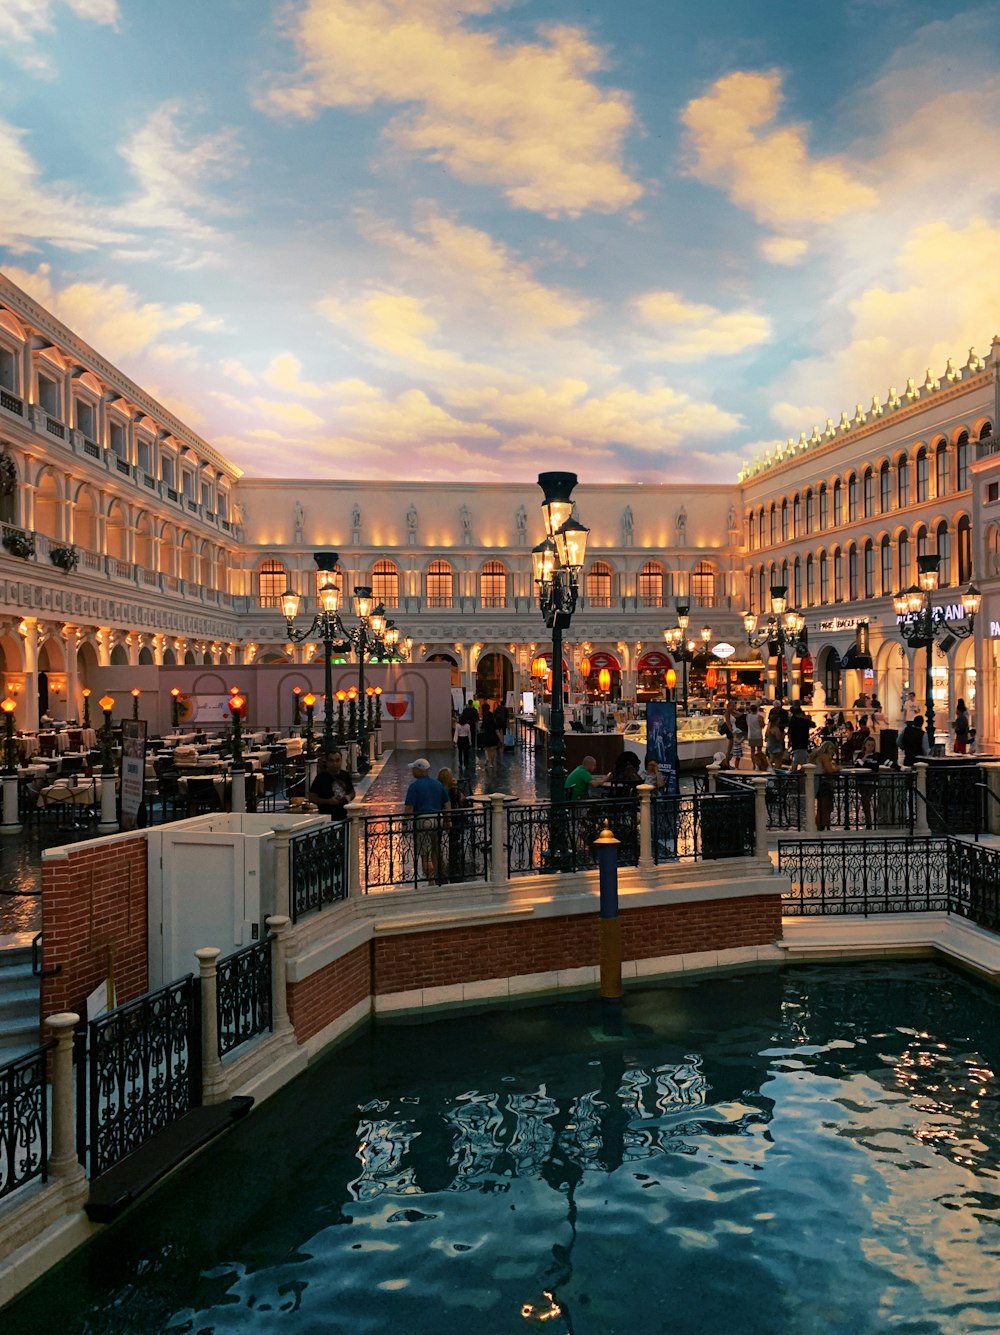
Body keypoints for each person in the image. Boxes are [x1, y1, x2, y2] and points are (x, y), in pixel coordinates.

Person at [404, 758, 448, 883]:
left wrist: (404, 823)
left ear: (420, 770)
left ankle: (430, 880)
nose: (412, 771)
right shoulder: (438, 784)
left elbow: (409, 808)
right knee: (435, 850)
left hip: (423, 821)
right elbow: (447, 802)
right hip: (437, 819)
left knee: (425, 853)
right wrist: (447, 819)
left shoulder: (414, 786)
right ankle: (436, 875)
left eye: (414, 769)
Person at [438, 766, 471, 882]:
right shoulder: (448, 790)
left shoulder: (446, 789)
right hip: (454, 819)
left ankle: (448, 858)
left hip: (451, 818)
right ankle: (453, 857)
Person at [308, 749, 355, 820]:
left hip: (344, 816)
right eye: (331, 761)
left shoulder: (345, 775)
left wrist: (348, 796)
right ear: (327, 762)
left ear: (341, 761)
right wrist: (328, 801)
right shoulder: (321, 777)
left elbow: (352, 792)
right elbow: (312, 797)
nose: (335, 763)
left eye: (337, 760)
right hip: (327, 817)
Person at [809, 739, 839, 831]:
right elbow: (829, 770)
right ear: (825, 748)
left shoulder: (816, 756)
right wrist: (838, 768)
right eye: (831, 749)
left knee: (820, 807)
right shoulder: (824, 756)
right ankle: (822, 826)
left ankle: (819, 826)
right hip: (823, 783)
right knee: (825, 807)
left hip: (816, 782)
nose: (832, 751)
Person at [854, 735, 880, 828]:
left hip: (872, 781)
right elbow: (857, 766)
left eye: (872, 745)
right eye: (868, 745)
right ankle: (868, 819)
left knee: (866, 799)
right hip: (861, 781)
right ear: (865, 745)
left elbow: (875, 767)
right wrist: (865, 757)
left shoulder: (876, 756)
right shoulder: (860, 755)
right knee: (864, 800)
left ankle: (869, 821)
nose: (870, 747)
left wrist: (865, 764)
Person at [786, 703, 812, 769]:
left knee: (799, 758)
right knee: (798, 760)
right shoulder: (805, 721)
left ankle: (797, 772)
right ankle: (793, 772)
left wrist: (790, 740)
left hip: (795, 741)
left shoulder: (792, 720)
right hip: (803, 741)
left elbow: (789, 732)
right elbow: (813, 724)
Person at [745, 703, 765, 770]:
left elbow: (747, 724)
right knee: (759, 751)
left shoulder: (748, 716)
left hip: (751, 735)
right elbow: (762, 725)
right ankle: (759, 765)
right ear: (757, 709)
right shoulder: (759, 716)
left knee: (752, 751)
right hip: (758, 735)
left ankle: (754, 765)